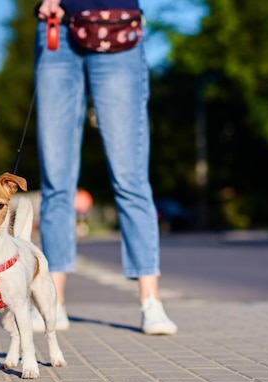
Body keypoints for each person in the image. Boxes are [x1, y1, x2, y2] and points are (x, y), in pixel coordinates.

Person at [33, 0, 177, 335]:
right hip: (57, 28)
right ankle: (53, 303)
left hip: (118, 25)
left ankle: (151, 301)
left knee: (130, 176)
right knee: (56, 179)